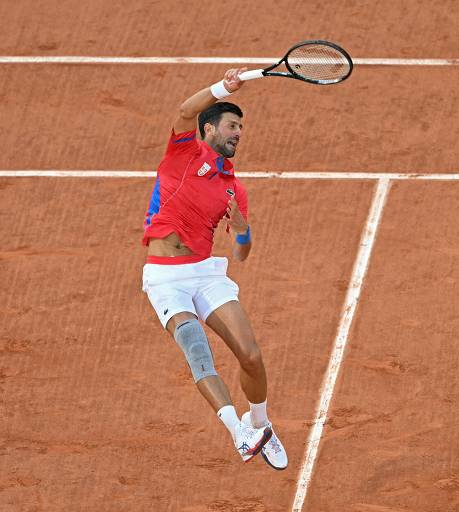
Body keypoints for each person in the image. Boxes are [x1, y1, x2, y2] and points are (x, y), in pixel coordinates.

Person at [140, 68, 288, 469]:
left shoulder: (234, 187)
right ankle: (237, 431)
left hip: (206, 272)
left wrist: (242, 231)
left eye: (241, 127)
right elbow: (186, 109)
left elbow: (242, 253)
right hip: (165, 278)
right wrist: (225, 87)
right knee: (196, 348)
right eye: (232, 125)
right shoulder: (183, 152)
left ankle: (260, 426)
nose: (239, 132)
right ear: (209, 129)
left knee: (251, 356)